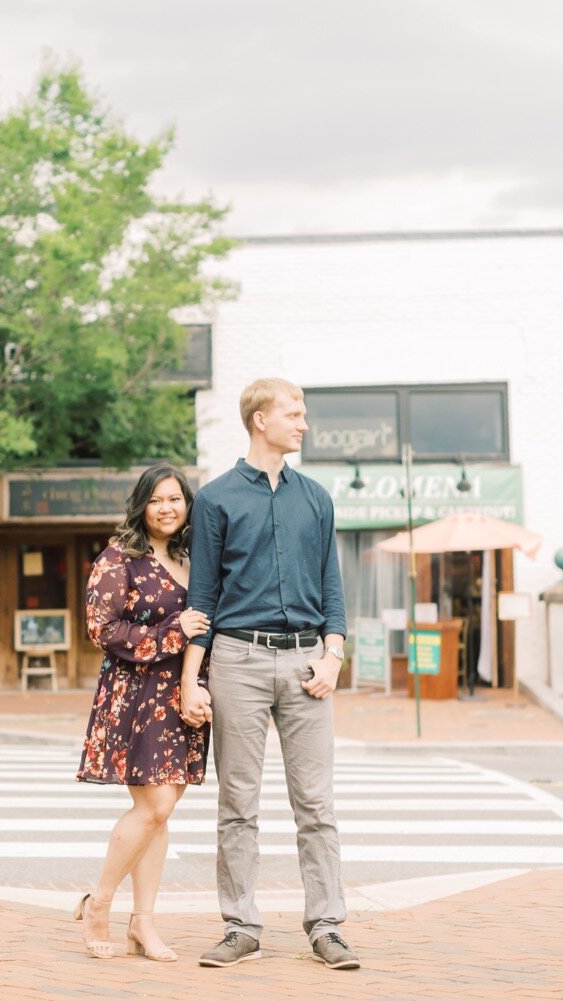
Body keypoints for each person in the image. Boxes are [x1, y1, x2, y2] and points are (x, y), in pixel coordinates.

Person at [179, 376, 359, 972]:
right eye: (294, 413)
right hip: (237, 660)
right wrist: (191, 678)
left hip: (309, 660)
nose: (303, 423)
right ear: (261, 419)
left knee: (316, 803)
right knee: (238, 803)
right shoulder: (217, 498)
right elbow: (203, 596)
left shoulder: (317, 498)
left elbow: (332, 588)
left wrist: (334, 654)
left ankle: (327, 925)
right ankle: (240, 925)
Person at [74, 463, 211, 962]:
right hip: (136, 695)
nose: (167, 508)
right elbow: (101, 628)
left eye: (175, 499)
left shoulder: (193, 559)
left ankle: (143, 924)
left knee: (162, 812)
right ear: (141, 506)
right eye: (156, 500)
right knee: (153, 807)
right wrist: (175, 631)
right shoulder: (120, 558)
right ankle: (99, 904)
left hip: (182, 695)